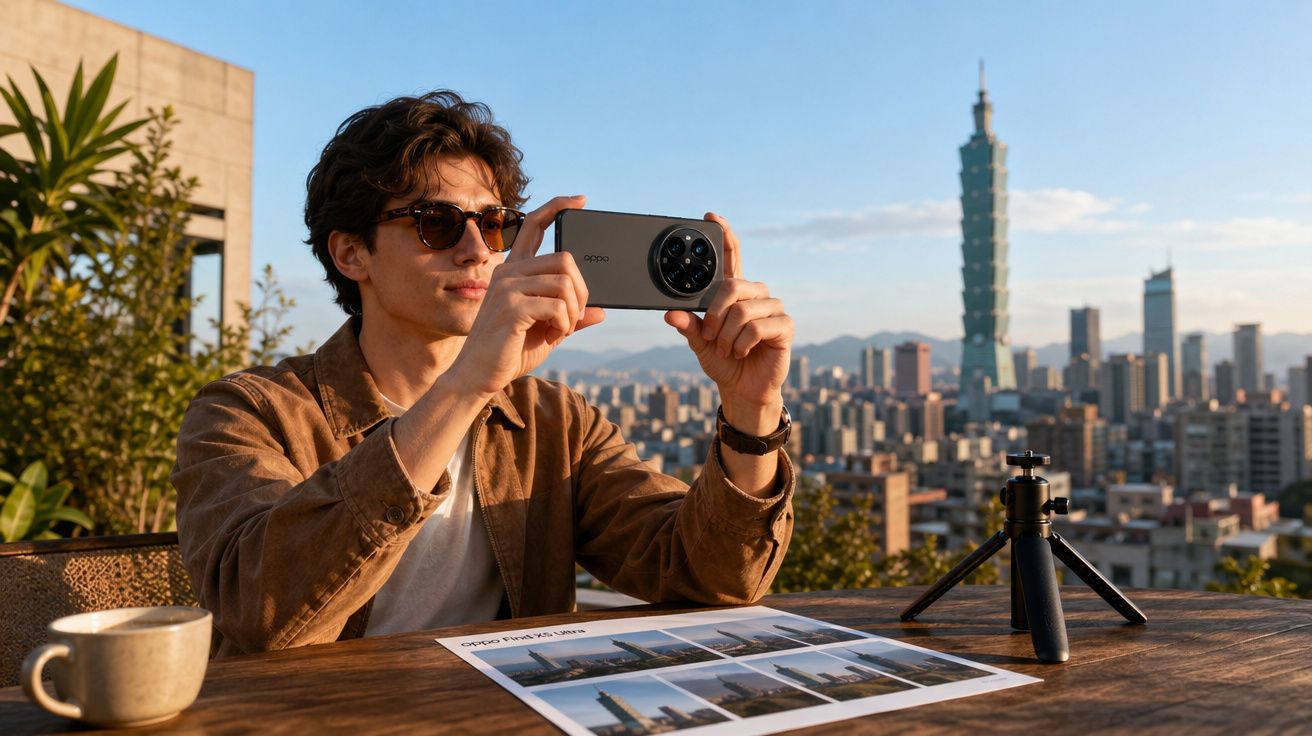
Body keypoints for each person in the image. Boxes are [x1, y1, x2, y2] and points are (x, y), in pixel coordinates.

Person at [172, 91, 796, 657]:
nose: (476, 250)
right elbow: (261, 610)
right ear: (351, 252)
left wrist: (751, 414)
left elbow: (706, 574)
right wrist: (467, 385)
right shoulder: (250, 413)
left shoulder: (557, 424)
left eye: (493, 224)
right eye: (436, 223)